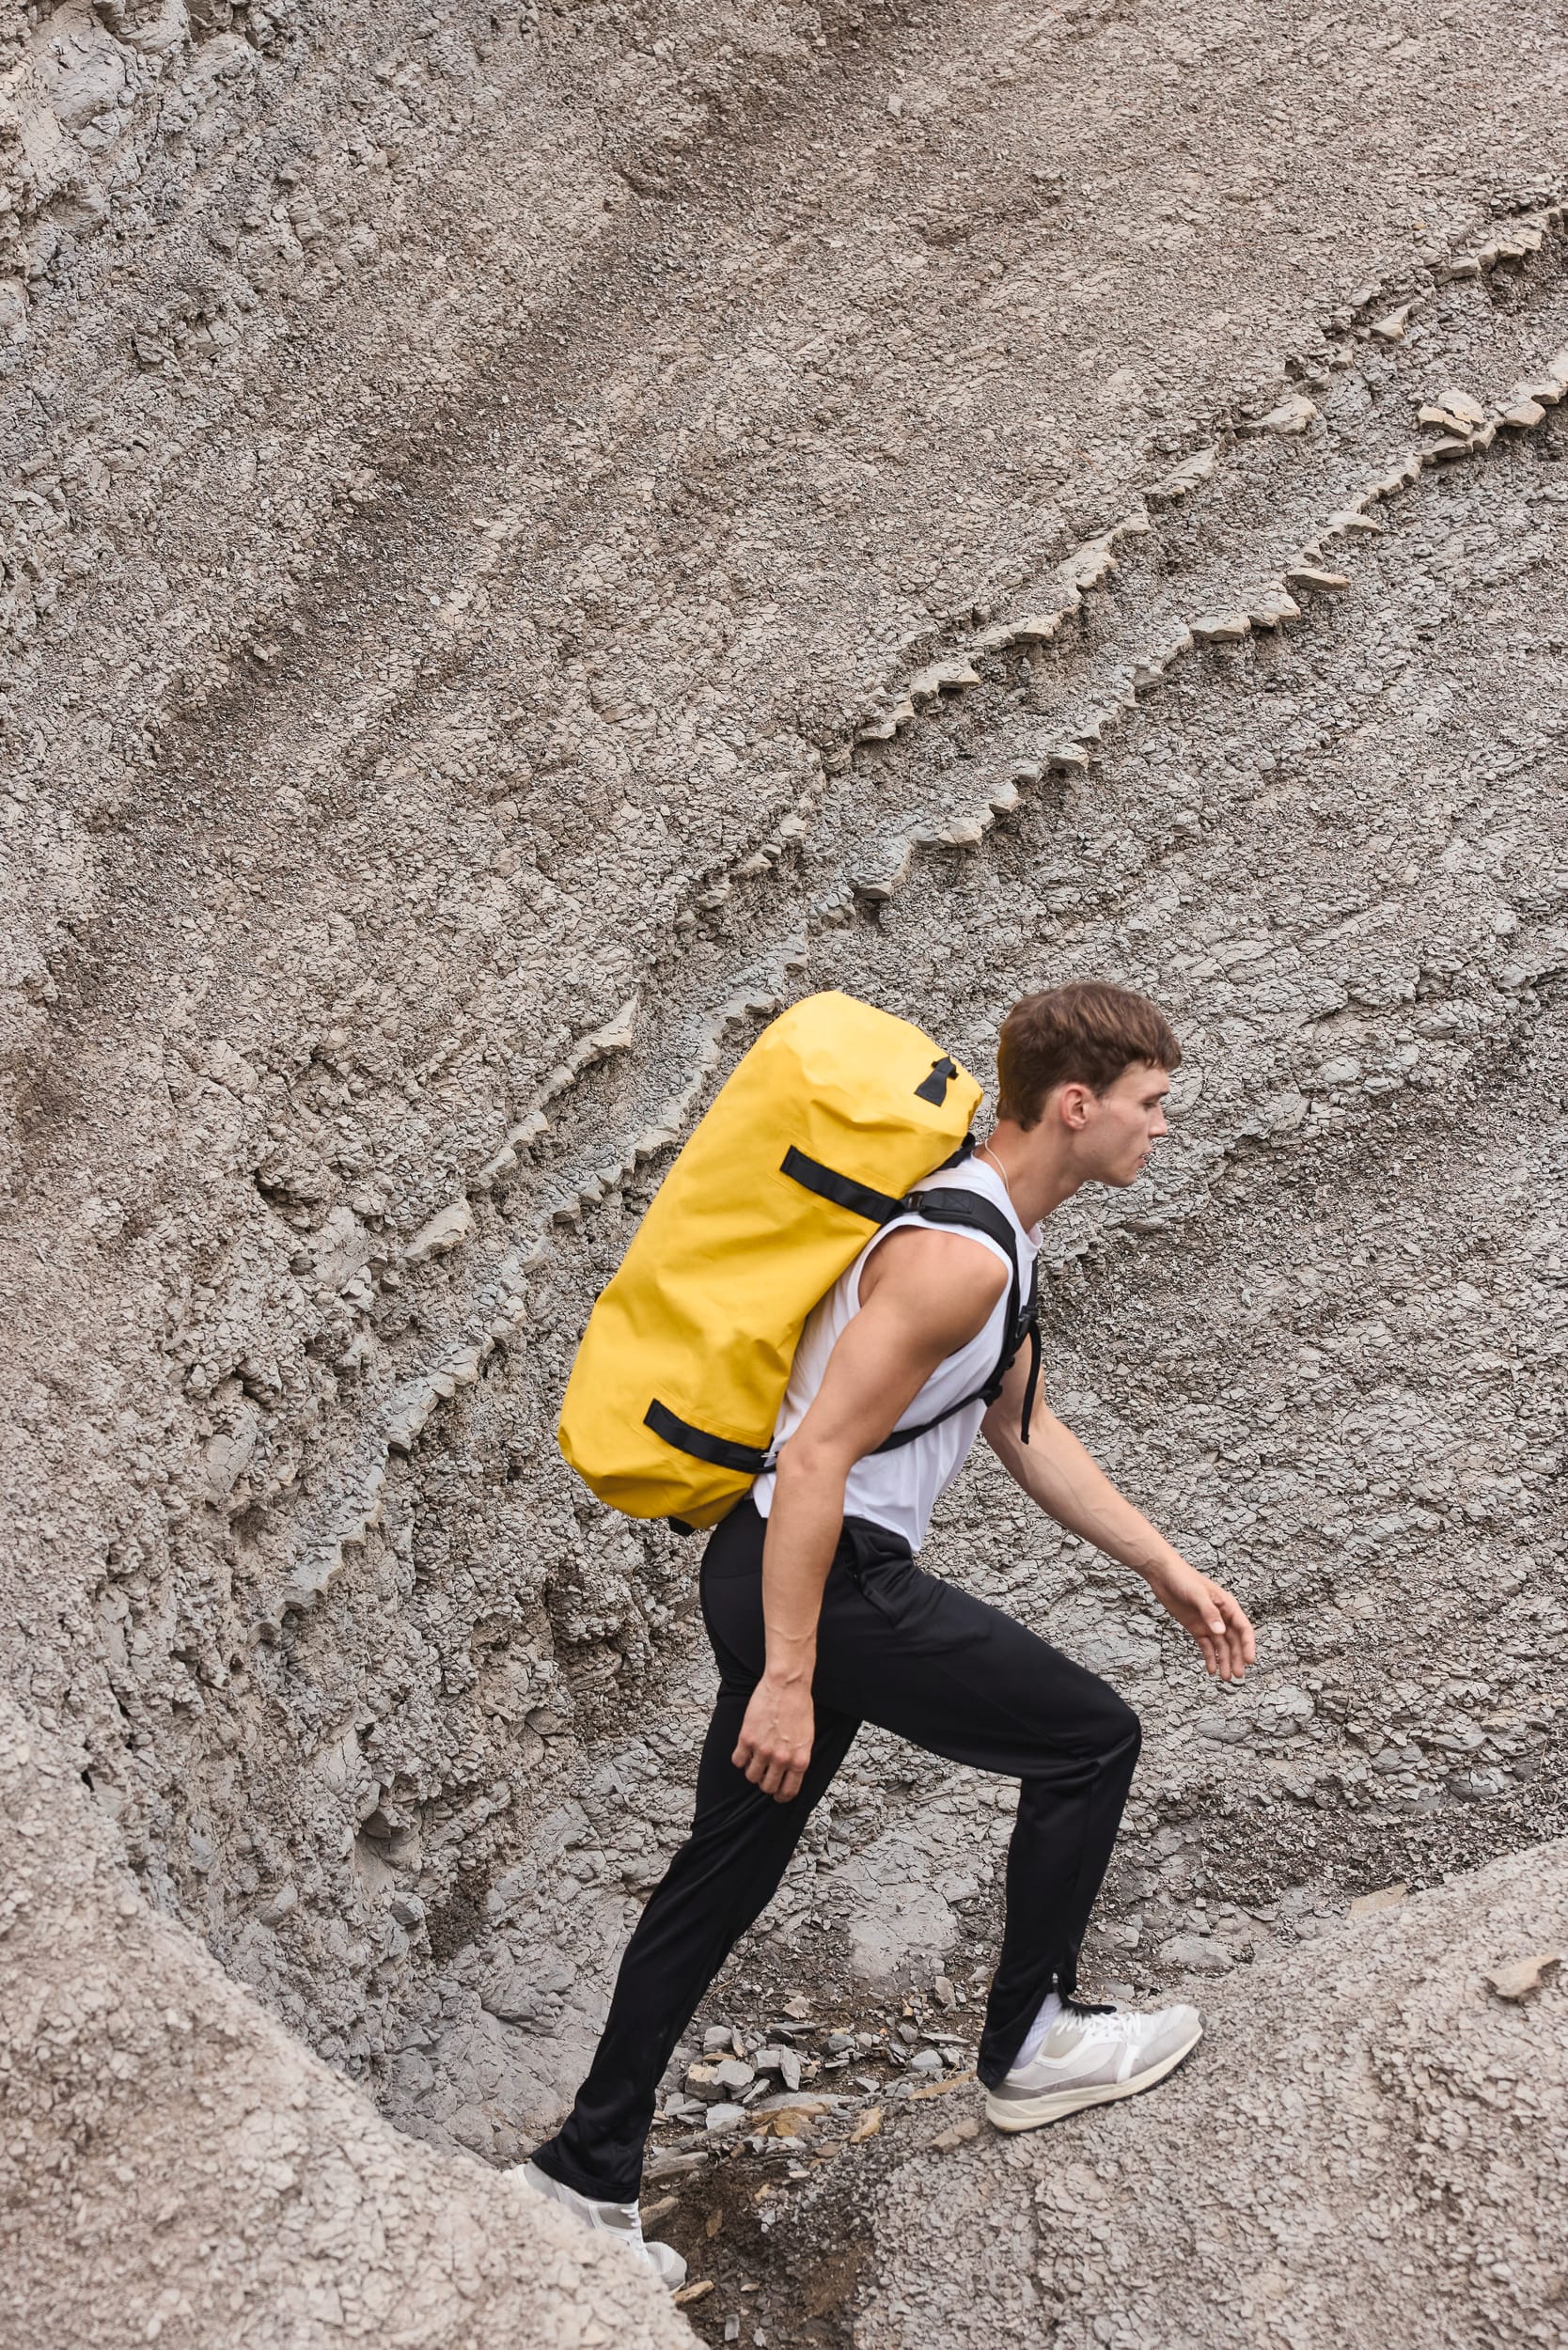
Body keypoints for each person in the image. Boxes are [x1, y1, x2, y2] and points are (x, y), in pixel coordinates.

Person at [524, 980, 1257, 2280]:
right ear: (1076, 1106)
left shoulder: (1006, 1247)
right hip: (823, 1579)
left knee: (723, 1875)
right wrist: (793, 1674)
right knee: (1090, 1739)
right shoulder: (957, 1256)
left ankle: (584, 2173)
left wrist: (1168, 1567)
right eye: (1150, 1106)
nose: (1161, 1128)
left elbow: (1025, 1432)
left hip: (790, 1576)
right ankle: (1030, 2044)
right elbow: (813, 1463)